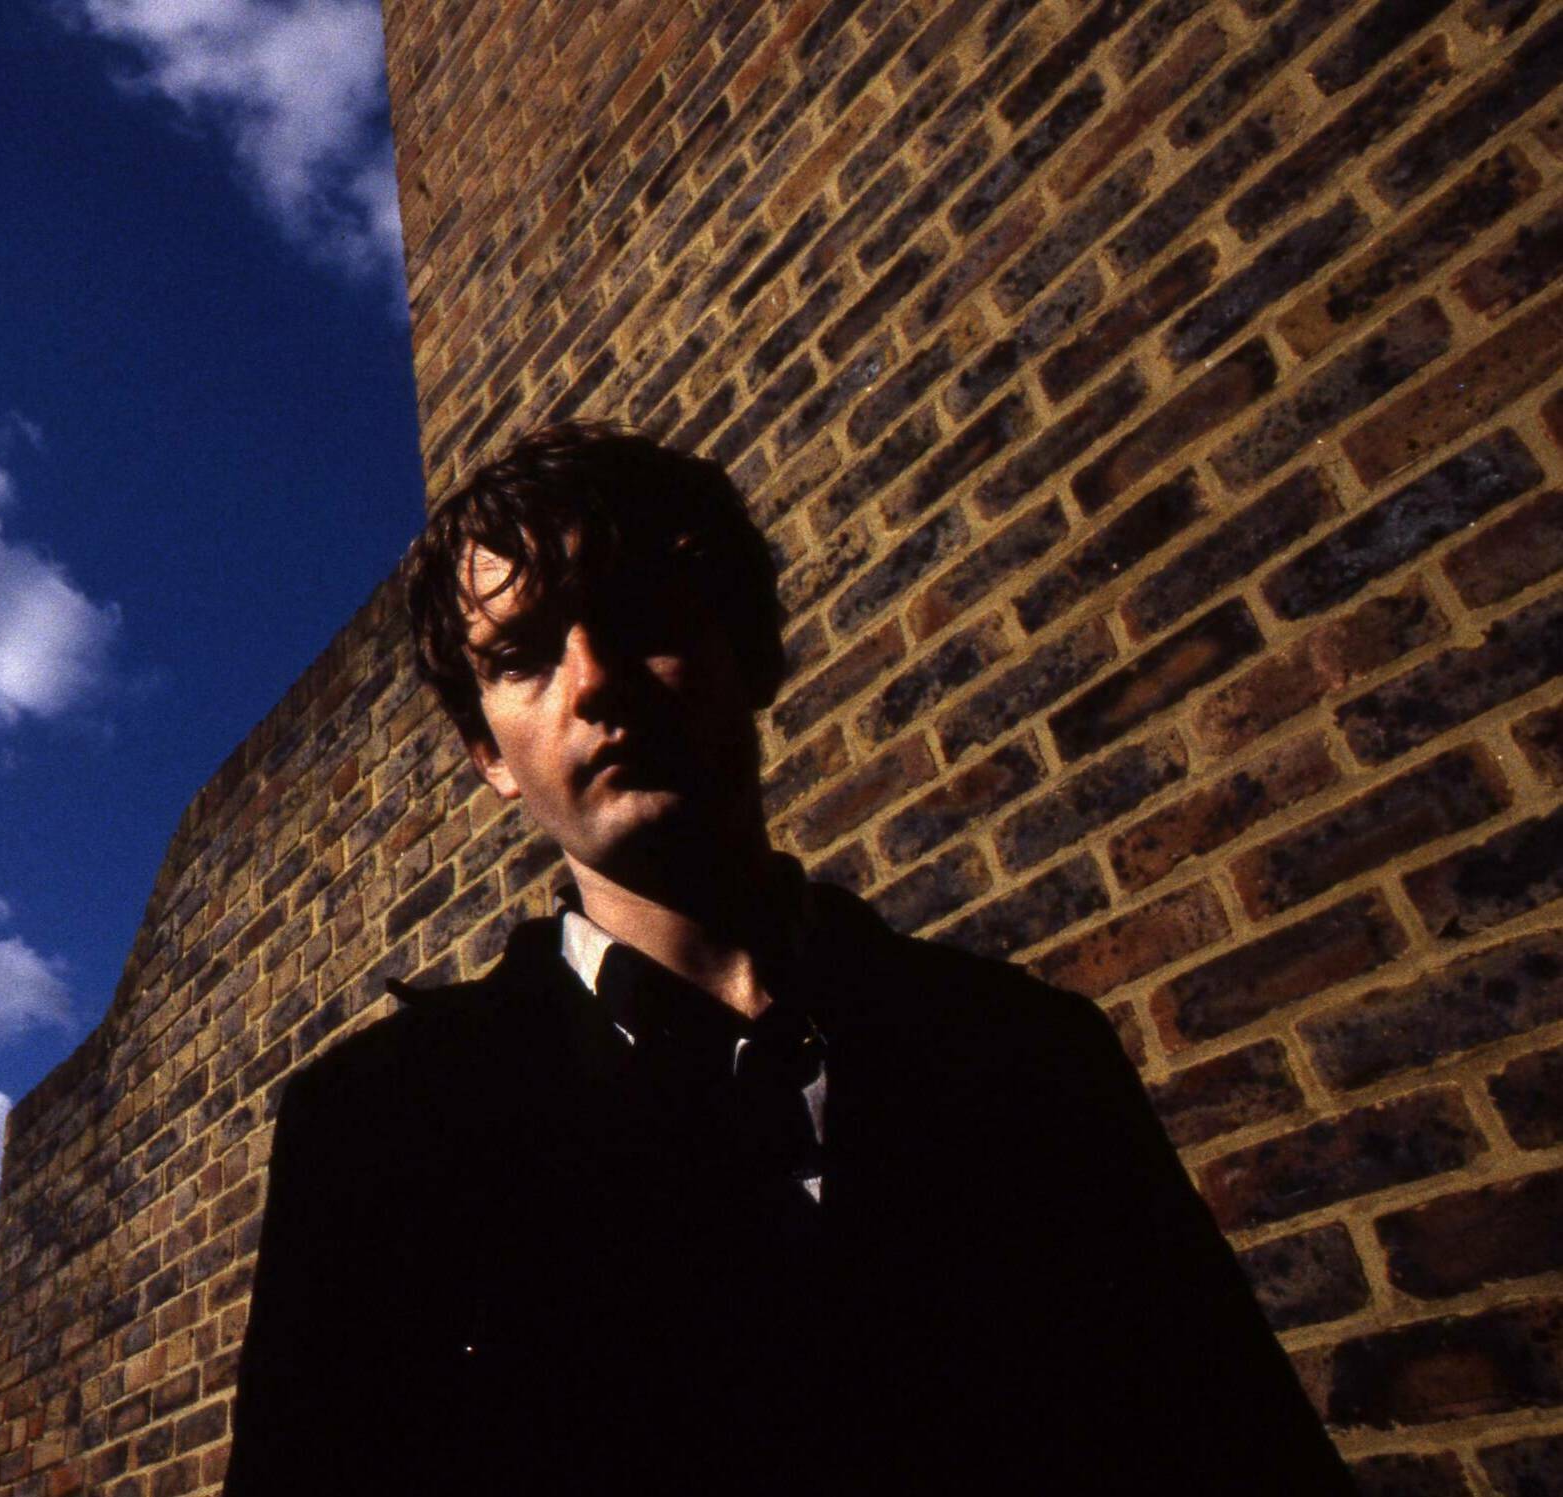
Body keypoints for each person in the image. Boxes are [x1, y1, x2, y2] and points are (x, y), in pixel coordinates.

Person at [220, 422, 1353, 1496]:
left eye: (639, 612)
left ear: (750, 648)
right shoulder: (369, 1127)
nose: (594, 679)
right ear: (487, 756)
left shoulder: (1030, 1054)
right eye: (522, 656)